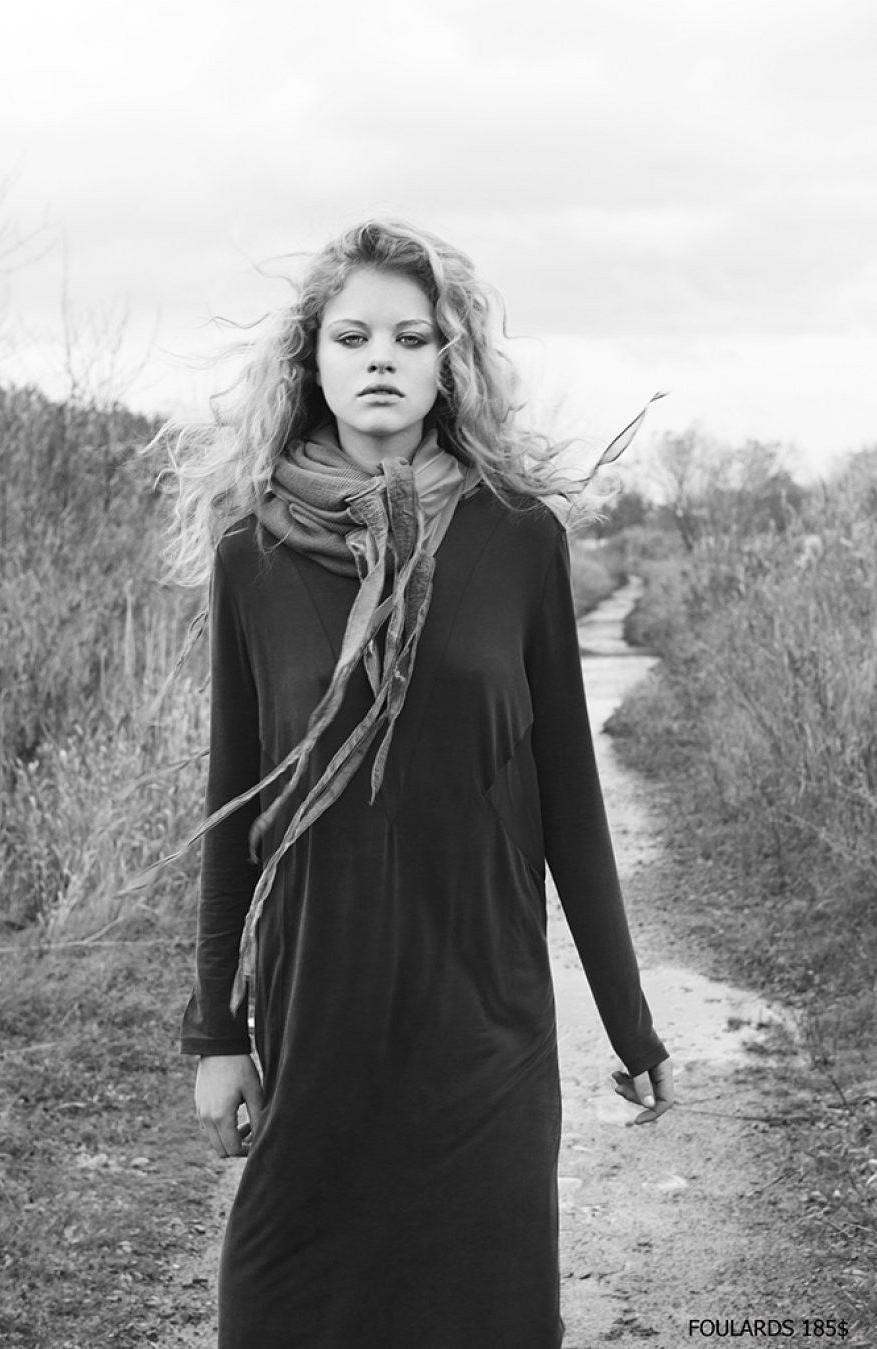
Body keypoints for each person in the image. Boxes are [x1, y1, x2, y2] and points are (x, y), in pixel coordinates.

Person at [164, 218, 673, 1349]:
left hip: (482, 1019)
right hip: (318, 1012)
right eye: (353, 337)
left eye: (410, 336)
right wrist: (219, 1035)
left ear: (450, 360)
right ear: (313, 361)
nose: (382, 358)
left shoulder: (519, 539)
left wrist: (630, 1023)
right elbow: (234, 804)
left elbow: (572, 801)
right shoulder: (252, 553)